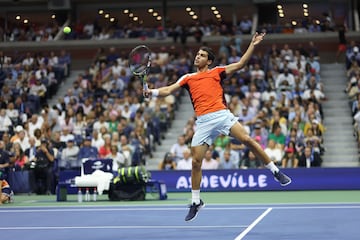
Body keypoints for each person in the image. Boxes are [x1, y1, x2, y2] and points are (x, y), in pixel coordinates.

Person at [145, 32, 291, 222]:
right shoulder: (187, 78)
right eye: (197, 54)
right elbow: (168, 90)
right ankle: (196, 202)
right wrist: (152, 92)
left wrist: (253, 45)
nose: (197, 57)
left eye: (202, 55)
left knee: (247, 140)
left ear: (209, 61)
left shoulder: (217, 72)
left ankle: (275, 171)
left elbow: (240, 64)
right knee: (196, 162)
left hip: (222, 115)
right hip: (203, 122)